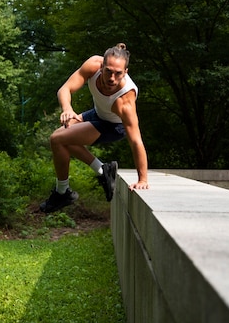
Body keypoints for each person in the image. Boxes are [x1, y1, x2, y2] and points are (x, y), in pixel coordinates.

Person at [40, 43, 149, 213]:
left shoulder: (125, 102)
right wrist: (67, 109)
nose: (112, 78)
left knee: (58, 139)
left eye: (118, 74)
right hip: (97, 113)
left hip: (113, 126)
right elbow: (65, 89)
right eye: (108, 71)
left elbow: (136, 141)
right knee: (58, 139)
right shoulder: (92, 65)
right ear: (101, 66)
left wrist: (142, 180)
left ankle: (63, 192)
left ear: (125, 72)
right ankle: (102, 170)